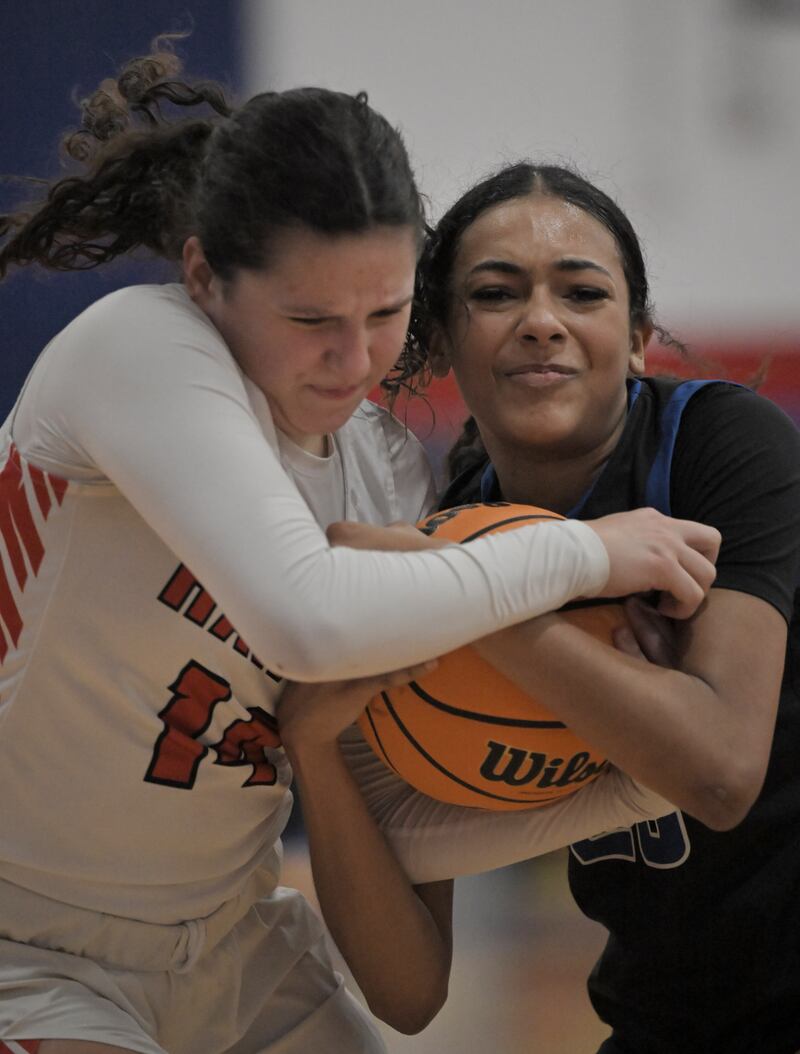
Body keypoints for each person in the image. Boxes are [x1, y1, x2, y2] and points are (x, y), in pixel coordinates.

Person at [0, 38, 721, 1054]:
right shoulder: (137, 348)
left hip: (234, 940)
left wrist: (624, 784)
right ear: (205, 272)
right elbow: (306, 624)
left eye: (384, 314)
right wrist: (588, 554)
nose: (353, 358)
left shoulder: (383, 473)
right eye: (310, 319)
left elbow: (394, 811)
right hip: (26, 948)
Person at [411, 161, 800, 1053]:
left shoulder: (721, 444)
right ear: (440, 341)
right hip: (659, 1012)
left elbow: (719, 774)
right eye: (496, 293)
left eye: (581, 293)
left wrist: (478, 596)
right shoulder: (452, 515)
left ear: (635, 337)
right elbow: (407, 990)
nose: (541, 321)